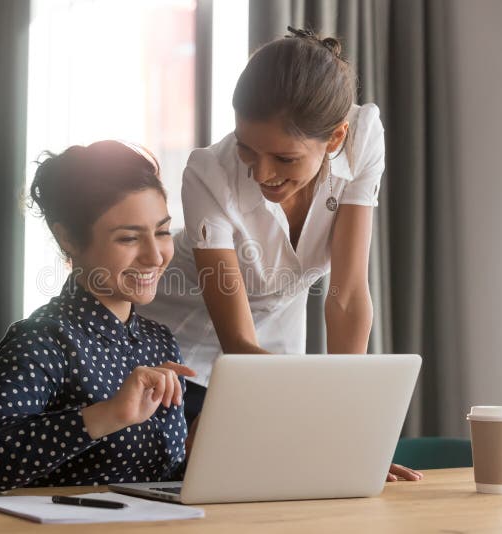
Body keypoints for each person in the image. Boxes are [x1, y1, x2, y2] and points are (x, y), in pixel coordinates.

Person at [140, 27, 422, 482]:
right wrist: (321, 425)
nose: (262, 174)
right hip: (184, 359)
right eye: (247, 150)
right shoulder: (209, 173)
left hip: (275, 358)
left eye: (285, 159)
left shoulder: (361, 138)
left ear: (334, 139)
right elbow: (235, 343)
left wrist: (351, 437)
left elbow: (348, 296)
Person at [0, 141, 196, 493]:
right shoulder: (44, 339)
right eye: (129, 238)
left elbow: (159, 476)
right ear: (68, 239)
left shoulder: (159, 341)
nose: (155, 255)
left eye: (162, 232)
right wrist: (108, 415)